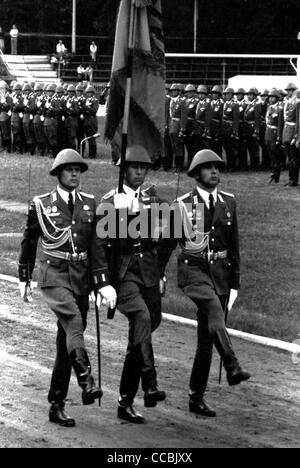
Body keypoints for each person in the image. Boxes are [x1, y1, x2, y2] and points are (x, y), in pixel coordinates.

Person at [18, 149, 109, 427]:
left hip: (80, 276)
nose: (74, 174)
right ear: (58, 173)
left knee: (65, 341)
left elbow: (95, 247)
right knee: (74, 321)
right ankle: (87, 379)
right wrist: (24, 277)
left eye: (78, 170)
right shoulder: (42, 204)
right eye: (69, 170)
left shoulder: (90, 203)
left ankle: (56, 404)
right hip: (54, 274)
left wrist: (101, 282)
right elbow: (29, 241)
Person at [169, 149, 250, 417]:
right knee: (214, 310)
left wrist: (235, 283)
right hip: (194, 271)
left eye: (217, 168)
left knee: (206, 339)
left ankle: (196, 397)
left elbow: (234, 245)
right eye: (208, 168)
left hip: (221, 275)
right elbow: (167, 244)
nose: (215, 172)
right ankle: (232, 364)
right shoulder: (182, 204)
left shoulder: (229, 202)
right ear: (196, 174)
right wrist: (156, 274)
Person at [94, 145, 169, 424]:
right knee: (141, 317)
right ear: (123, 169)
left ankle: (125, 401)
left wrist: (160, 271)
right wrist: (103, 283)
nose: (139, 172)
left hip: (148, 271)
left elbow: (162, 239)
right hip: (124, 274)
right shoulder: (110, 202)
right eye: (134, 167)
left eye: (143, 168)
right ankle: (150, 382)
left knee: (144, 330)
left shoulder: (153, 200)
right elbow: (99, 247)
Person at [265, 89, 284, 183]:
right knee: (270, 156)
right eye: (270, 97)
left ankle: (276, 175)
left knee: (276, 156)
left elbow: (280, 125)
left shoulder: (280, 109)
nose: (271, 99)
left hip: (274, 134)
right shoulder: (269, 108)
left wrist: (279, 138)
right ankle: (272, 173)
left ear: (277, 98)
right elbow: (267, 121)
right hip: (268, 134)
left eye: (273, 97)